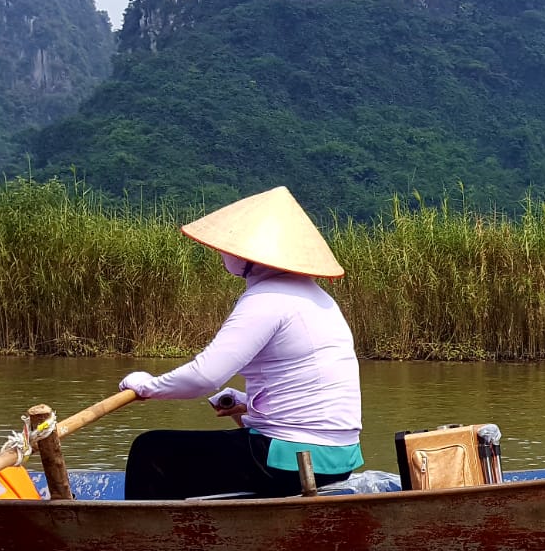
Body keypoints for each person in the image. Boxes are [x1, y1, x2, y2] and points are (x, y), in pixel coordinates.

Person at [120, 187, 363, 500]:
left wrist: (147, 386)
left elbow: (203, 377)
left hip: (292, 458)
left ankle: (144, 546)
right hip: (339, 458)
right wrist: (248, 403)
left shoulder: (266, 298)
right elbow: (308, 390)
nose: (223, 253)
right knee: (199, 452)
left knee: (150, 450)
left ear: (249, 255)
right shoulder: (318, 297)